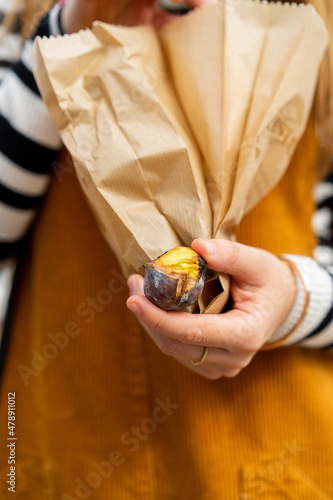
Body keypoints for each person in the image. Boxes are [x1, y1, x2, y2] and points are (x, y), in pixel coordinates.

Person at [0, 0, 332, 498]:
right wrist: (69, 30)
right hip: (63, 447)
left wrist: (290, 301)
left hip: (270, 456)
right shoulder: (25, 13)